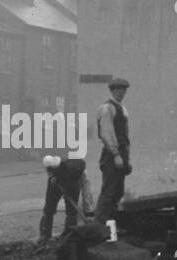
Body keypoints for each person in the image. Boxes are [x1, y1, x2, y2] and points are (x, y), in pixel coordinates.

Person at [94, 76, 131, 224]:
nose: (121, 93)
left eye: (123, 91)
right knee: (109, 190)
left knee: (118, 190)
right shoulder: (107, 108)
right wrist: (116, 155)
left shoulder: (122, 109)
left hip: (122, 153)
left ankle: (111, 222)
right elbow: (106, 133)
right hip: (111, 154)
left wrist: (126, 157)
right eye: (118, 90)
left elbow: (125, 135)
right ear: (112, 91)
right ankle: (100, 223)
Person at [38, 154, 89, 244]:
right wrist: (53, 177)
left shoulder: (72, 170)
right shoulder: (52, 169)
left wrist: (66, 191)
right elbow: (50, 173)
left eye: (50, 170)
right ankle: (45, 235)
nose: (48, 171)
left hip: (72, 182)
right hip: (56, 182)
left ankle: (69, 235)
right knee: (49, 208)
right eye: (48, 170)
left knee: (71, 210)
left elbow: (72, 185)